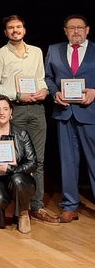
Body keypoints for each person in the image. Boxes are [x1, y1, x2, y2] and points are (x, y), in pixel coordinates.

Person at [0, 14, 59, 224]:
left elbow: (41, 79)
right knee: (13, 158)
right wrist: (16, 95)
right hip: (15, 110)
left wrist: (45, 91)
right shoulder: (0, 54)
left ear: (24, 30)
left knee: (38, 160)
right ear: (5, 32)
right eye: (10, 28)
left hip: (36, 109)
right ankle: (17, 208)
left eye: (18, 27)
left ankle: (36, 206)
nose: (15, 30)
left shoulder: (36, 52)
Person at [45, 14, 95, 223]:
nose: (76, 31)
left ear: (87, 30)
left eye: (80, 27)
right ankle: (70, 205)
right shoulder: (54, 50)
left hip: (90, 112)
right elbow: (47, 77)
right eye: (71, 28)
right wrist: (55, 92)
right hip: (65, 113)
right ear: (65, 31)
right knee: (68, 161)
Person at [0, 95, 37, 233]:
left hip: (19, 178)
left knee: (17, 179)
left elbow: (33, 163)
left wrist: (10, 168)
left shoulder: (21, 133)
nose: (2, 113)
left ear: (11, 112)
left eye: (6, 109)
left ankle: (23, 214)